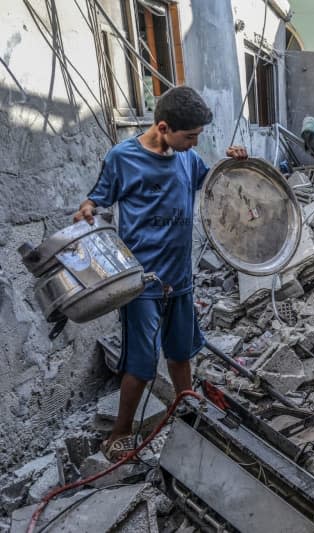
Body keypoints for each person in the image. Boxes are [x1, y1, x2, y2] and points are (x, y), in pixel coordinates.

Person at [73, 86, 248, 460]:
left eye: (198, 137)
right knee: (140, 364)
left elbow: (212, 181)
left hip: (180, 280)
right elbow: (98, 198)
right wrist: (87, 208)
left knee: (181, 353)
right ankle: (120, 433)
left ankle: (187, 407)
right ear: (164, 127)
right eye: (191, 136)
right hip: (142, 283)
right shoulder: (123, 158)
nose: (195, 143)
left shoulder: (187, 158)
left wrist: (233, 162)